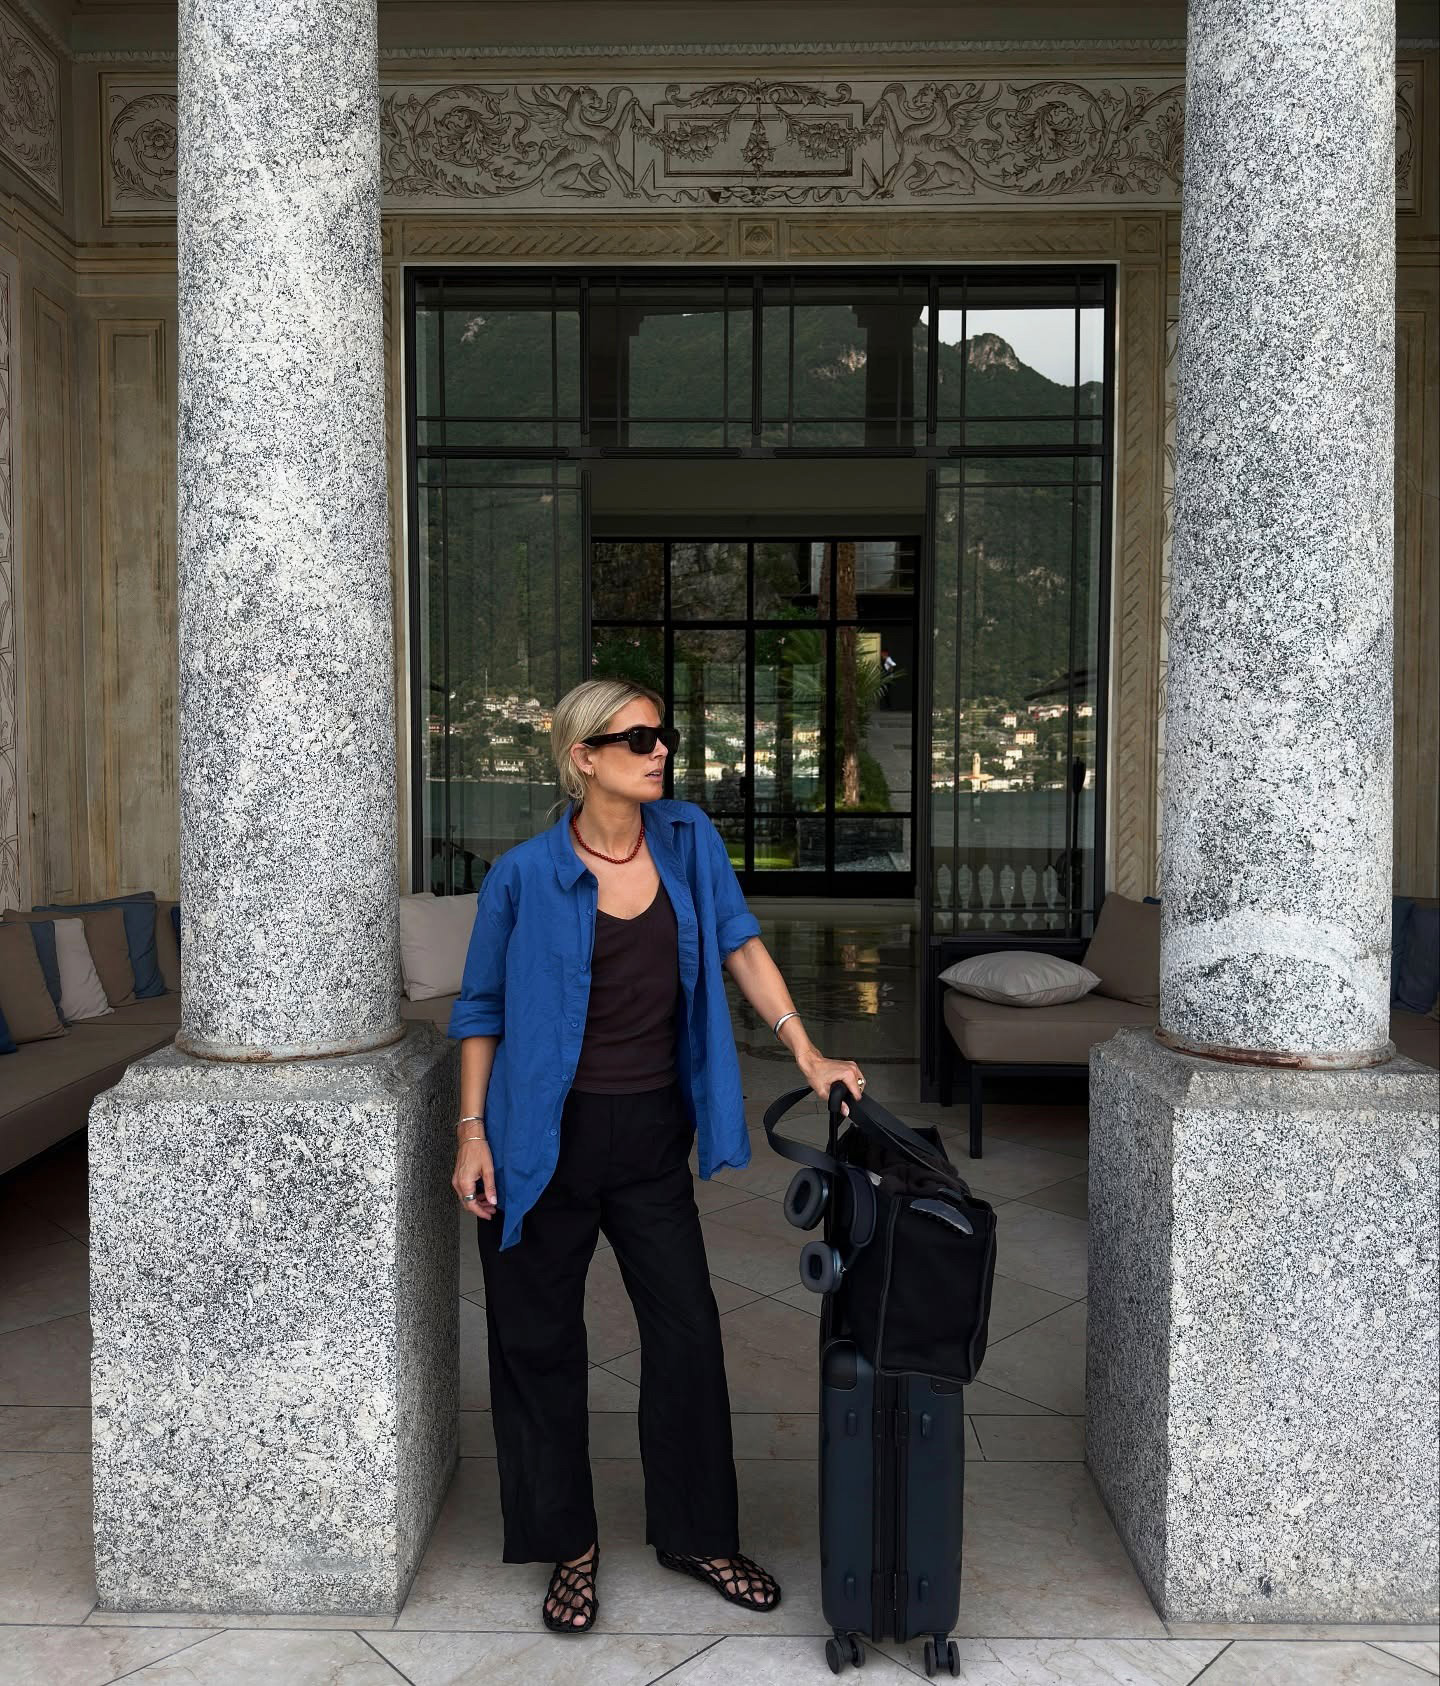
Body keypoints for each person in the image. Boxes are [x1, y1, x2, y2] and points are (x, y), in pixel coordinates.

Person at [447, 677, 868, 1633]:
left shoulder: (686, 840)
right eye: (636, 738)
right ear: (582, 756)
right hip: (534, 1145)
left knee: (685, 1334)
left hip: (647, 1138)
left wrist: (809, 1052)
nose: (659, 751)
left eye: (663, 735)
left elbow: (740, 944)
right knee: (539, 1346)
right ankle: (571, 1547)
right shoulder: (520, 875)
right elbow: (479, 1013)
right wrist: (471, 1135)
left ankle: (695, 1533)